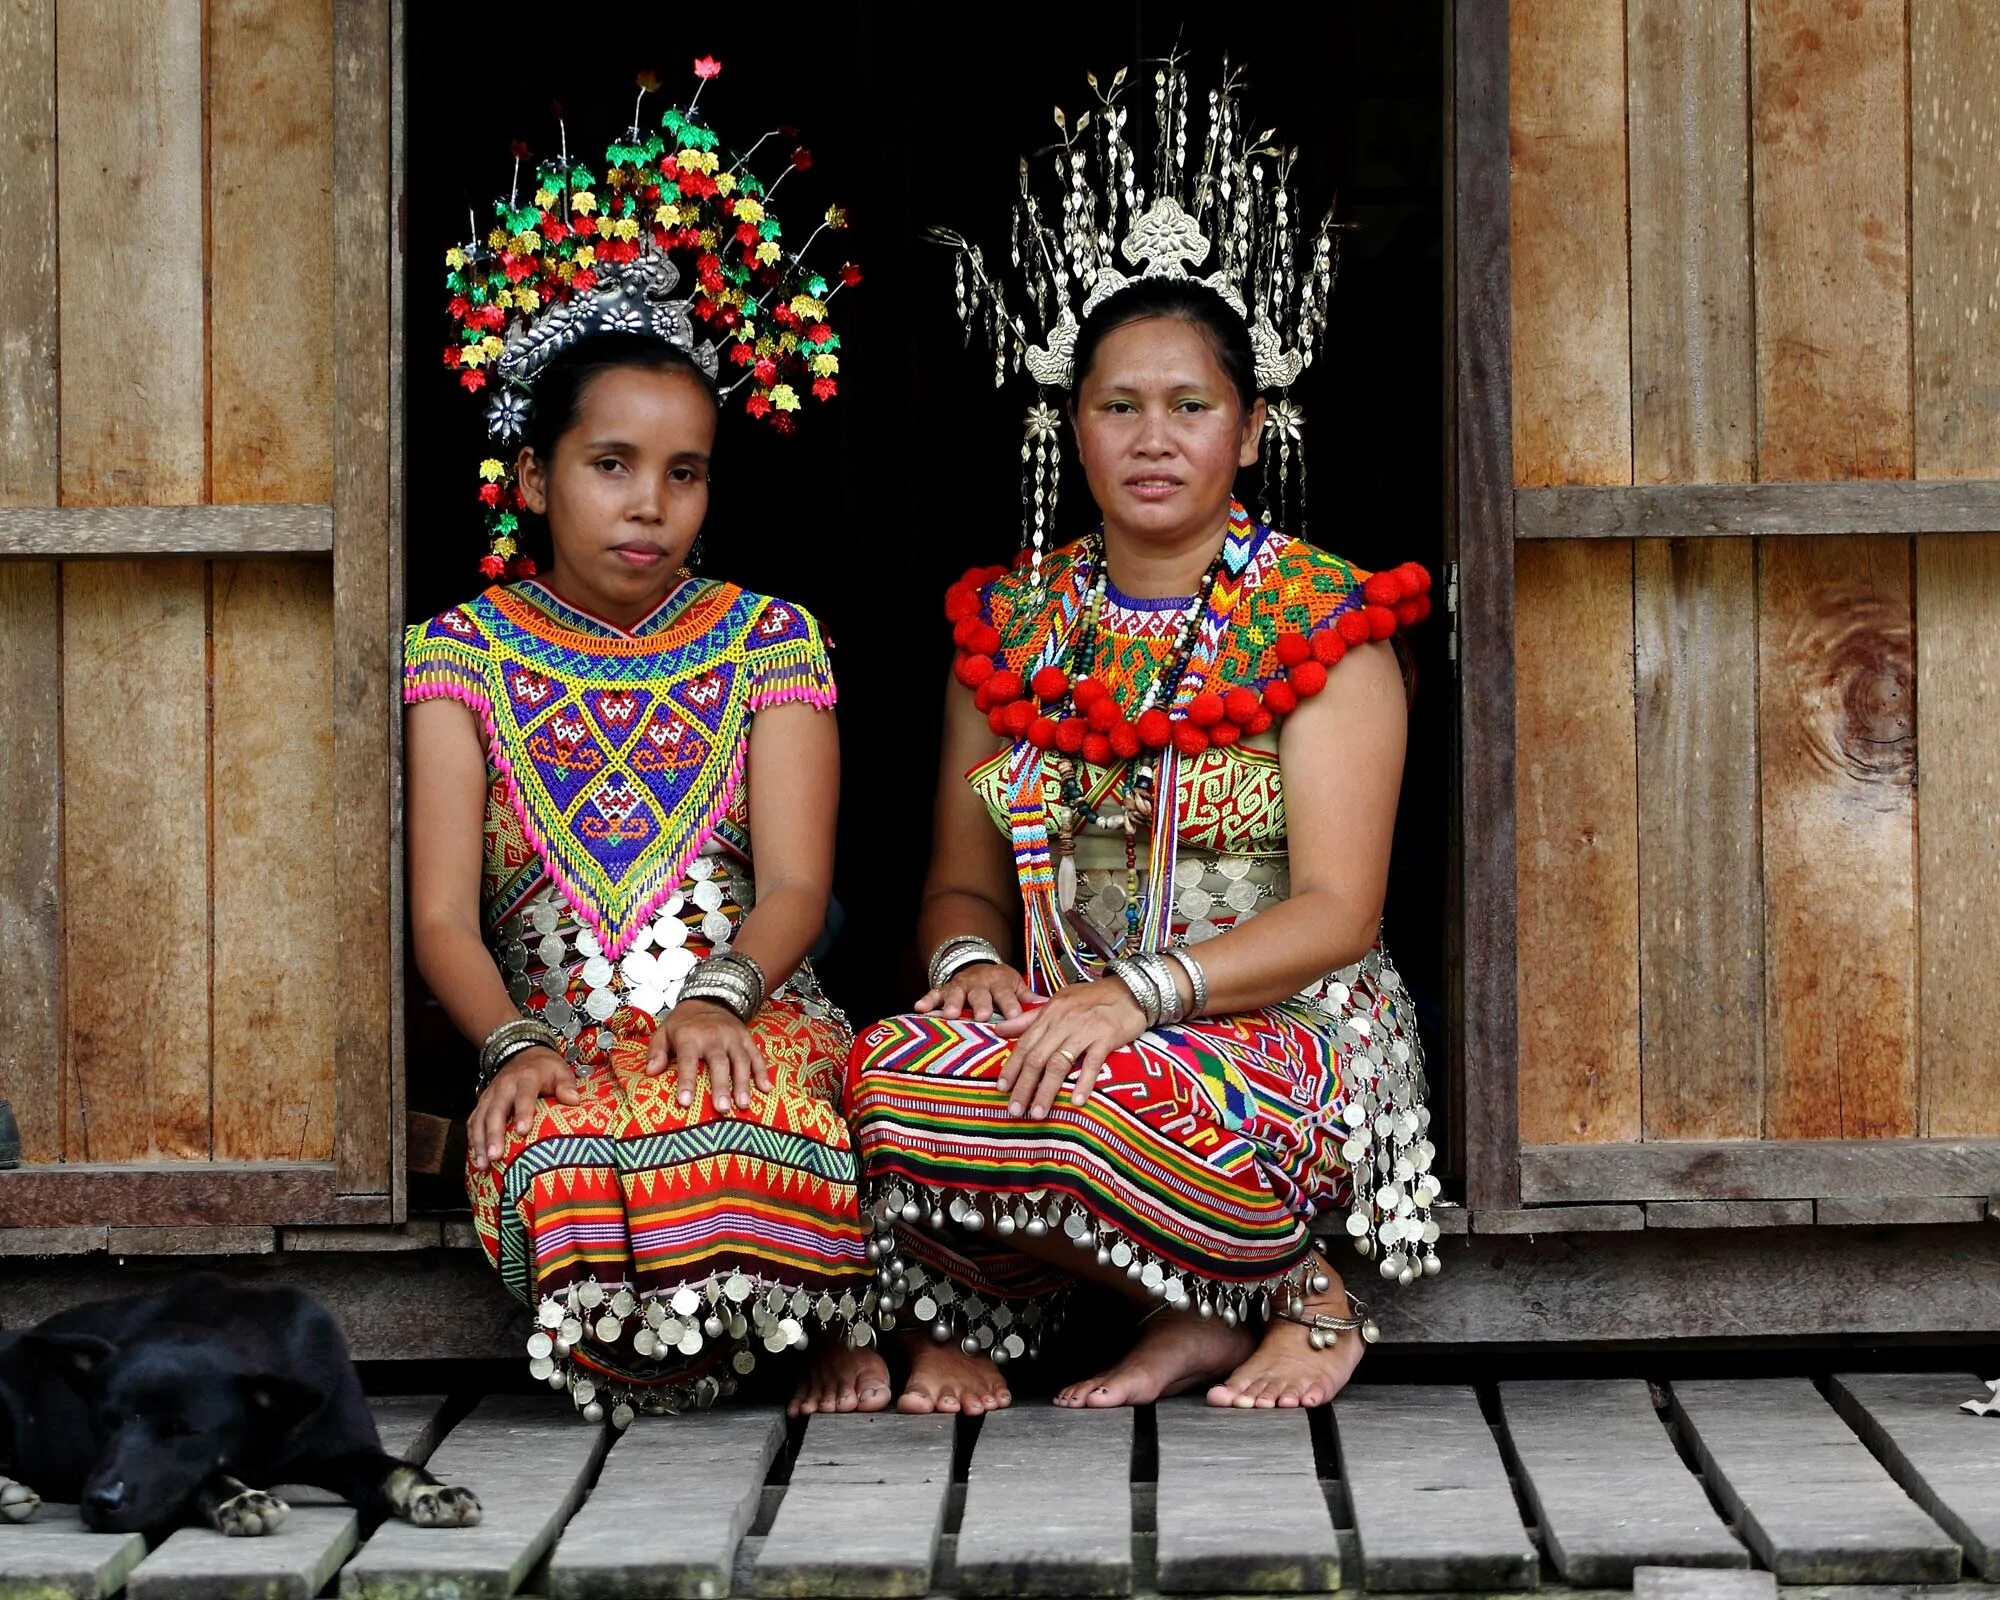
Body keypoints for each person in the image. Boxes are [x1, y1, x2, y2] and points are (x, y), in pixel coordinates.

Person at [847, 59, 1439, 1415]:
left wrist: (1136, 995)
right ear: (1071, 424)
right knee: (883, 1077)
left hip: (1278, 1028)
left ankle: (1303, 1292)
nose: (1153, 439)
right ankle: (1142, 1308)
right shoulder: (1010, 624)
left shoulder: (1322, 619)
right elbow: (958, 877)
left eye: (1190, 407)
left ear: (1252, 425)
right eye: (1119, 407)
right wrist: (973, 962)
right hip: (1060, 1019)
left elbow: (1340, 914)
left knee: (1107, 1095)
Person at [405, 66, 885, 1424]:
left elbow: (796, 885)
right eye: (612, 465)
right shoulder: (456, 654)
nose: (650, 507)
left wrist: (725, 997)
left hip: (738, 1010)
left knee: (759, 1125)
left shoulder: (769, 639)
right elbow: (442, 911)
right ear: (535, 476)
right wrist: (507, 1046)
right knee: (565, 1166)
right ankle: (757, 1333)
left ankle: (806, 1327)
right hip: (556, 1035)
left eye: (685, 473)